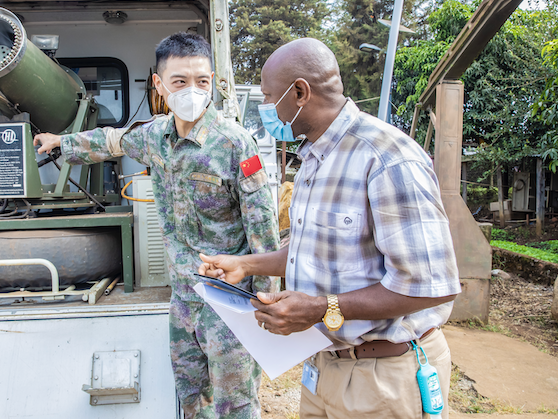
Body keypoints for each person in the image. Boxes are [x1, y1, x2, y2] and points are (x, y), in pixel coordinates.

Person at [198, 37, 461, 419]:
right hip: (324, 367)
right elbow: (318, 248)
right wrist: (247, 265)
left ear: (300, 92)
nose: (267, 108)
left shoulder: (386, 157)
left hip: (383, 377)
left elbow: (430, 286)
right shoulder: (313, 159)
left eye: (270, 97)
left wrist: (322, 308)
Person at [34, 32, 279, 419]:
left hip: (231, 302)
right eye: (180, 81)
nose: (193, 90)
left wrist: (267, 302)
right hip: (183, 299)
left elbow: (263, 229)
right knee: (190, 397)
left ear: (213, 82)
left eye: (202, 81)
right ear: (160, 85)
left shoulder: (235, 144)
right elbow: (110, 141)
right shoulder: (154, 137)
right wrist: (61, 143)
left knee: (236, 404)